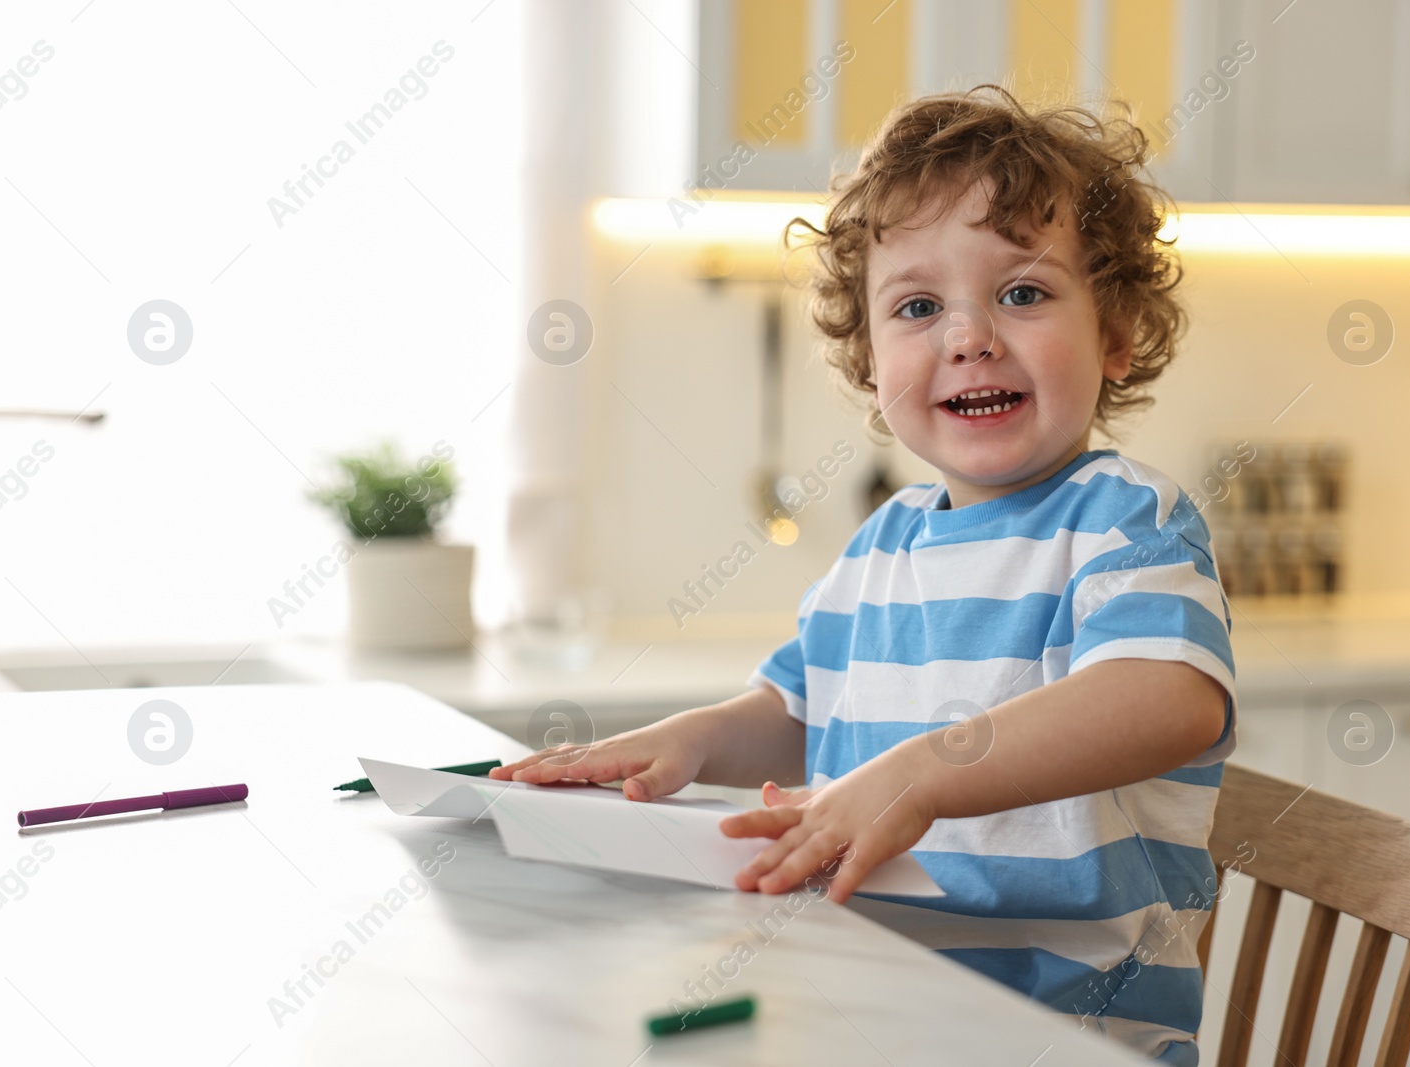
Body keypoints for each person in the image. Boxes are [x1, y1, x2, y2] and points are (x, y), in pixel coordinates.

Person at [494, 84, 1236, 1064]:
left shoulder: (1121, 518)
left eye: (1022, 291)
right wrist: (687, 739)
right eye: (918, 306)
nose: (968, 334)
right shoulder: (884, 544)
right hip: (871, 1010)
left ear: (1114, 333)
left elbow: (1166, 698)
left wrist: (925, 772)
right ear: (871, 360)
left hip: (1064, 1029)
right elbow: (800, 711)